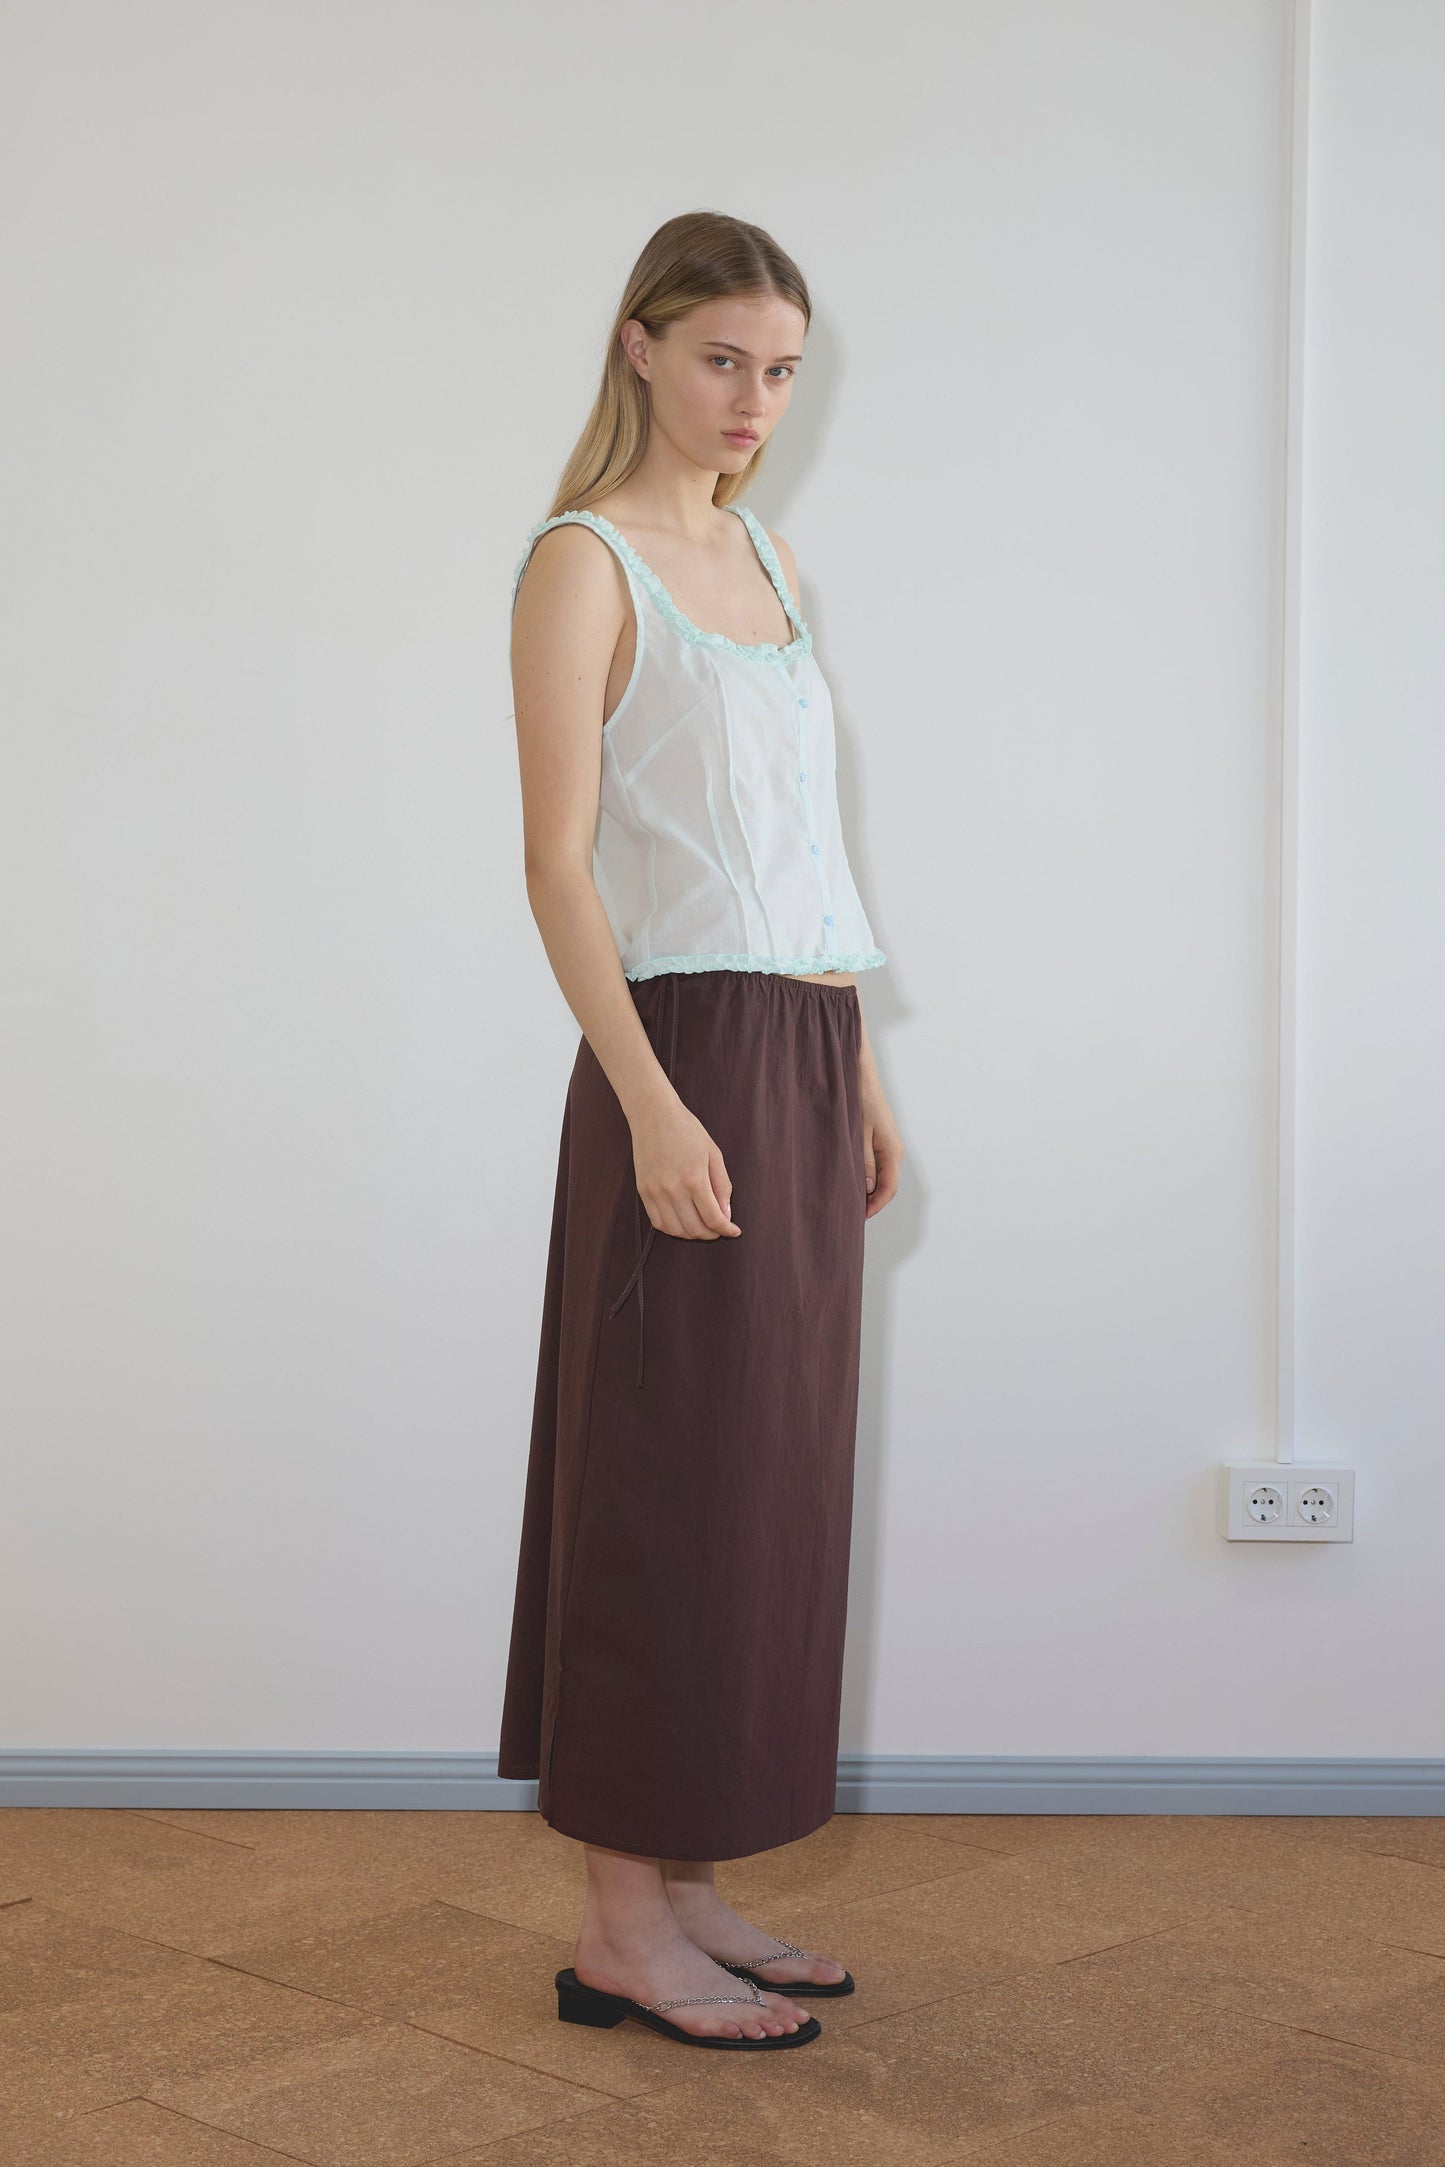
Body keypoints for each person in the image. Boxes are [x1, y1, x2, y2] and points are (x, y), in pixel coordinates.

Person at [497, 210, 904, 2051]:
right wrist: (655, 1101)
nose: (755, 400)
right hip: (679, 1055)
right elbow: (556, 863)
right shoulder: (583, 564)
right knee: (660, 1481)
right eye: (726, 358)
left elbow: (806, 855)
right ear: (644, 347)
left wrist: (866, 1066)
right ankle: (613, 1930)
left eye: (784, 369)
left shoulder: (772, 557)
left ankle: (694, 1876)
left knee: (767, 1483)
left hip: (804, 1052)